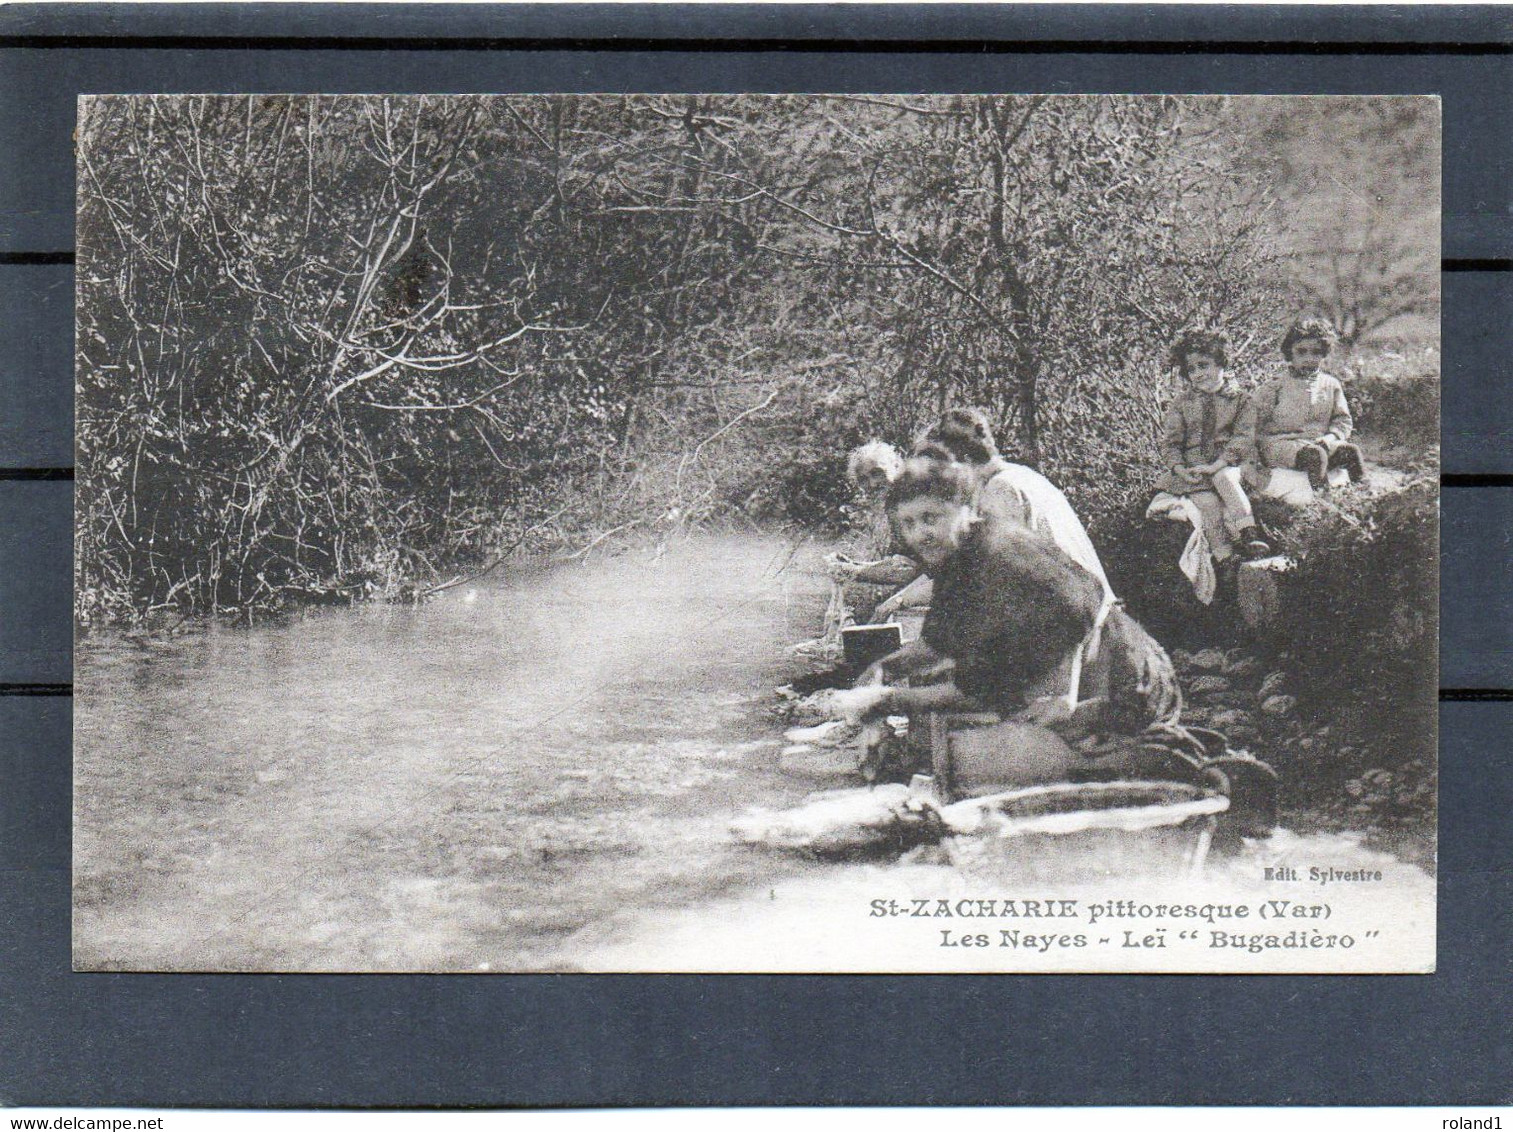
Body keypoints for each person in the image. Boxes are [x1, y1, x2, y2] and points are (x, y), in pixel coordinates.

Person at [837, 457, 1180, 738]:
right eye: (909, 524)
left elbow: (977, 689)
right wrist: (884, 667)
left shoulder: (996, 560)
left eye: (931, 518)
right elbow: (937, 645)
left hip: (1128, 691)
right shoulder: (961, 560)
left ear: (963, 509)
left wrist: (887, 700)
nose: (921, 534)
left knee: (976, 769)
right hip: (1092, 690)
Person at [920, 407, 1114, 600]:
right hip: (1086, 604)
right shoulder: (1023, 475)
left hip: (1076, 613)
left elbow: (990, 575)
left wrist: (899, 601)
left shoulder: (1001, 490)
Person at [1153, 329, 1272, 561]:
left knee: (1224, 478)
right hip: (1195, 469)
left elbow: (1243, 438)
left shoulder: (1241, 400)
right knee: (1207, 504)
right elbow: (1171, 443)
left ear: (1221, 364)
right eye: (1191, 369)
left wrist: (1218, 464)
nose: (1198, 373)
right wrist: (1180, 469)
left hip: (1230, 463)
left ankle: (1249, 533)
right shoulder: (1182, 404)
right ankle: (1224, 557)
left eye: (1204, 365)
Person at [1251, 317, 1364, 490]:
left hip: (1318, 442)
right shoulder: (1275, 386)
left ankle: (1363, 496)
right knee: (1315, 456)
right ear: (1290, 353)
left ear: (1324, 353)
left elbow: (1342, 420)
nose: (1309, 358)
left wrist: (1330, 438)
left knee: (1351, 452)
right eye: (1301, 352)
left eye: (1316, 352)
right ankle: (1323, 501)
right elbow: (1253, 421)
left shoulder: (1331, 384)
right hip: (1281, 445)